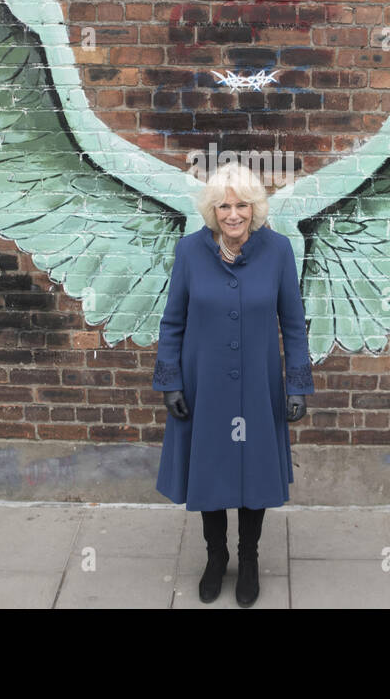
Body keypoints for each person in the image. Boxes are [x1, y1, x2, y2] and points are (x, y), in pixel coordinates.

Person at [151, 161, 315, 607]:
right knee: (210, 470)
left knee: (253, 472)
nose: (233, 214)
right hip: (205, 385)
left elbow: (294, 324)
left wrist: (296, 385)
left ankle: (249, 557)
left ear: (255, 208)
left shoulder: (278, 251)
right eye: (224, 205)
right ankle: (215, 556)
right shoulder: (189, 252)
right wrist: (170, 381)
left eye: (242, 204)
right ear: (212, 210)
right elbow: (173, 322)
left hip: (259, 386)